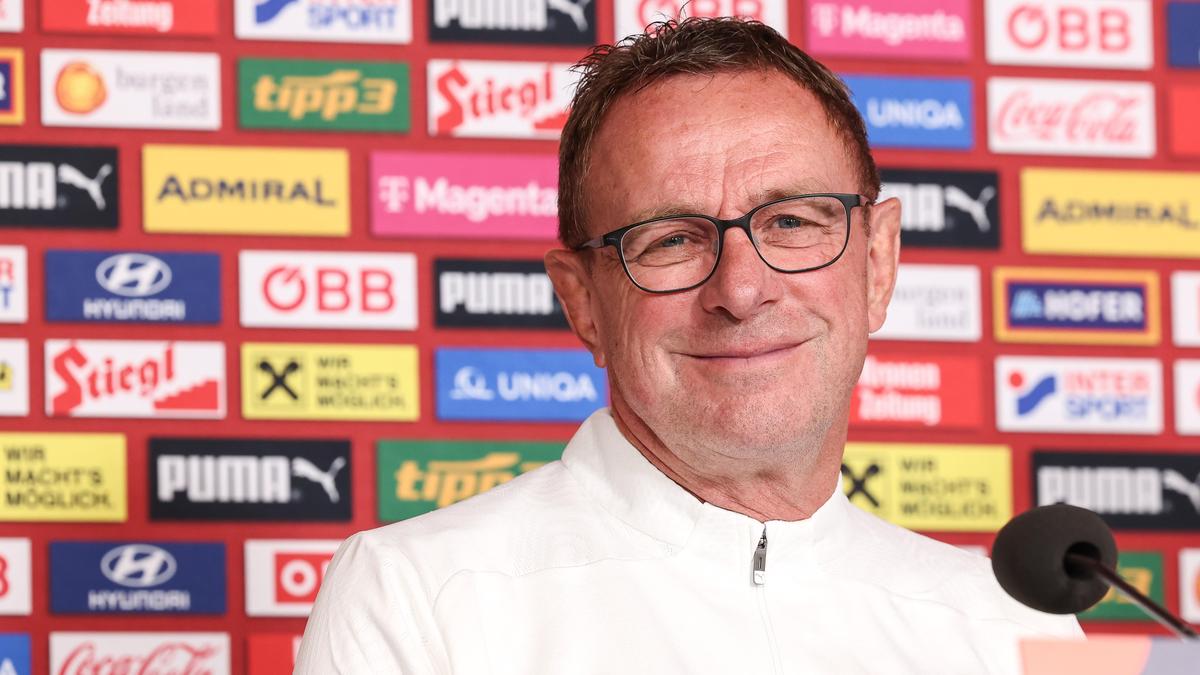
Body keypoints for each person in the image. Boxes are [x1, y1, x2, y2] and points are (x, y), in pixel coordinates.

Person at [296, 18, 1081, 674]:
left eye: (793, 222)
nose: (741, 290)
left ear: (877, 263)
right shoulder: (419, 598)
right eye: (671, 239)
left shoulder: (1013, 628)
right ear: (583, 301)